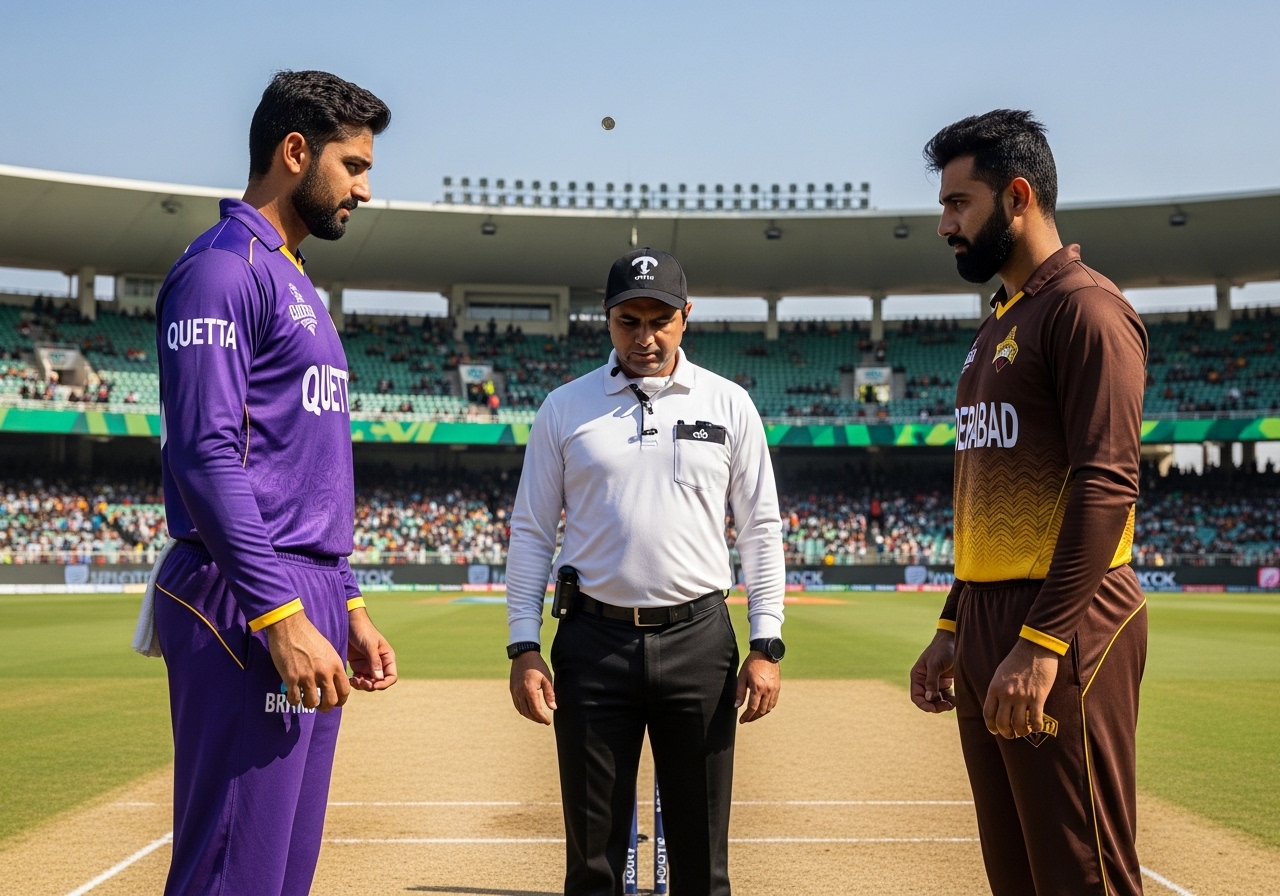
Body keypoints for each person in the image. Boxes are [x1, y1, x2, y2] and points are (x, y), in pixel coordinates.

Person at [152, 71, 397, 896]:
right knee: (235, 870)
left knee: (283, 871)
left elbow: (308, 467)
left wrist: (349, 602)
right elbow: (204, 453)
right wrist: (280, 613)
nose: (365, 187)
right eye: (353, 165)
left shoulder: (296, 278)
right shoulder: (221, 271)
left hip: (308, 589)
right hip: (248, 596)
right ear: (296, 151)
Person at [909, 110, 1148, 895]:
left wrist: (1042, 643)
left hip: (1063, 620)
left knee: (1082, 874)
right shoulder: (996, 328)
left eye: (959, 204)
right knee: (1016, 875)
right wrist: (953, 625)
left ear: (1018, 197)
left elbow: (1107, 482)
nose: (944, 224)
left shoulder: (1087, 310)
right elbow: (988, 498)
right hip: (986, 619)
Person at [505, 247, 786, 896]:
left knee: (702, 863)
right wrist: (523, 646)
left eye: (659, 319)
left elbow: (762, 530)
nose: (645, 336)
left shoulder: (730, 403)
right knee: (594, 865)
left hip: (699, 643)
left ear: (686, 317)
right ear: (607, 321)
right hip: (591, 647)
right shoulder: (565, 409)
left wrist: (766, 643)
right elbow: (531, 533)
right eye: (628, 320)